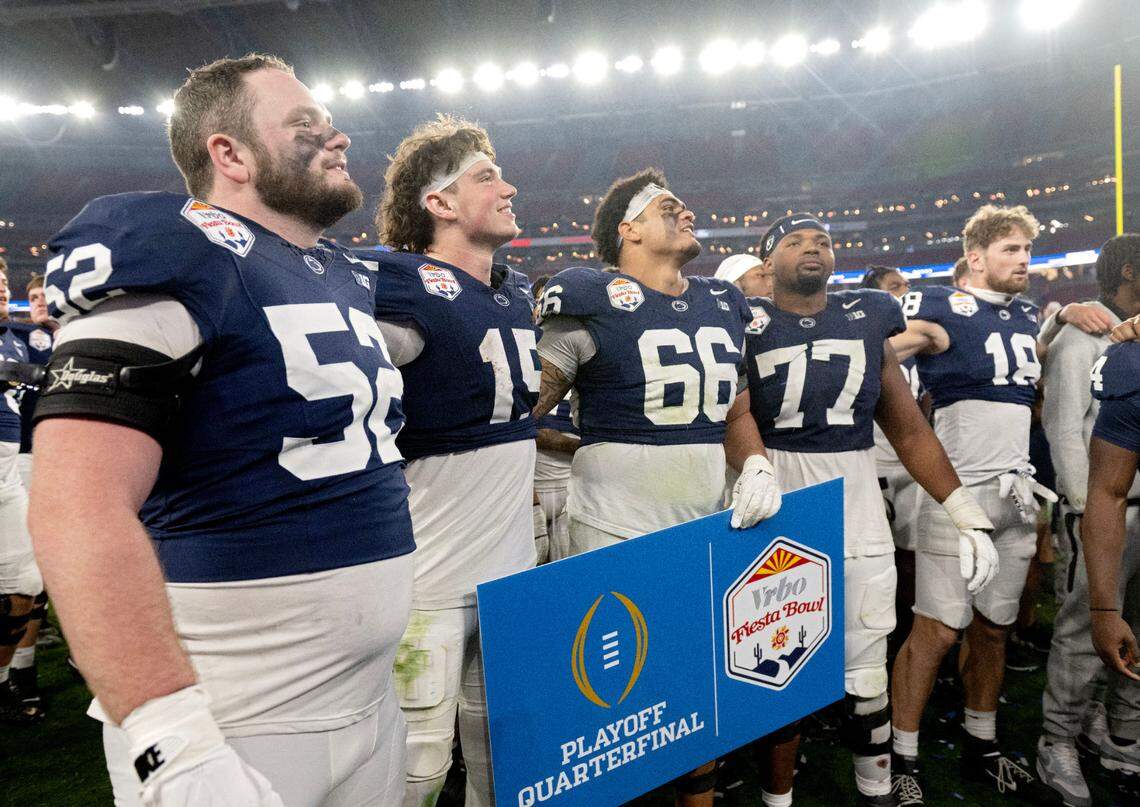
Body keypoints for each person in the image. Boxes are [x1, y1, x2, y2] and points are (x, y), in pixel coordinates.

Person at [29, 54, 415, 807]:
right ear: (228, 153)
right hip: (239, 713)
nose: (334, 137)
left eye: (327, 121)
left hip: (372, 700)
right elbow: (74, 501)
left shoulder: (338, 272)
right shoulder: (181, 251)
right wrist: (169, 738)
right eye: (303, 124)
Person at [534, 168, 781, 806]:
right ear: (630, 228)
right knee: (613, 705)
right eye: (668, 206)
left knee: (697, 692)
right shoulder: (587, 295)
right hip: (612, 521)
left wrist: (755, 463)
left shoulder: (723, 302)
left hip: (704, 523)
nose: (687, 211)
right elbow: (528, 405)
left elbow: (737, 413)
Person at [745, 216, 995, 807]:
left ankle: (877, 790)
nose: (812, 248)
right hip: (773, 495)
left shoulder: (868, 316)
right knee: (777, 672)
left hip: (855, 497)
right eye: (794, 241)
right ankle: (776, 798)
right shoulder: (742, 322)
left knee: (866, 672)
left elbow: (907, 428)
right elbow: (731, 418)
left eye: (822, 241)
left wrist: (964, 511)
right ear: (767, 261)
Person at [367, 114, 541, 807]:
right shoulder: (403, 286)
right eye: (486, 175)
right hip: (427, 578)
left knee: (504, 750)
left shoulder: (515, 289)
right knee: (417, 767)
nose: (509, 185)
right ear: (438, 203)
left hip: (509, 572)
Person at [889, 204, 1056, 802]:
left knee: (994, 629)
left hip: (1016, 495)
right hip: (956, 496)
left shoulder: (1027, 316)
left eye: (1028, 252)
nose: (1025, 262)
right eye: (1012, 251)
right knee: (934, 631)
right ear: (977, 257)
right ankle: (901, 756)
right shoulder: (938, 308)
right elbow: (878, 358)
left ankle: (981, 744)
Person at [1033, 235, 1140, 806]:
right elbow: (1065, 427)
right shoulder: (1084, 335)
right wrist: (1078, 508)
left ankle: (1121, 736)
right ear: (1128, 272)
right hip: (1102, 508)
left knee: (1137, 627)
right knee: (1083, 630)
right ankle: (1059, 740)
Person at [860, 266, 926, 654]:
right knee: (882, 565)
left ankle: (903, 641)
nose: (904, 293)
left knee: (913, 563)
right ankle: (880, 648)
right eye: (894, 288)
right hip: (876, 467)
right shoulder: (866, 343)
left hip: (912, 468)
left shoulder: (913, 347)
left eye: (905, 285)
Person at [0, 262, 44, 725]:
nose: (3, 290)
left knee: (29, 582)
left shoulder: (10, 335)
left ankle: (14, 676)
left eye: (4, 284)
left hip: (13, 471)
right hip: (15, 465)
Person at [531, 274, 579, 563]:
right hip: (535, 479)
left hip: (575, 482)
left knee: (570, 573)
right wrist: (567, 442)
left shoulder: (586, 346)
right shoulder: (523, 344)